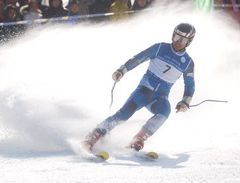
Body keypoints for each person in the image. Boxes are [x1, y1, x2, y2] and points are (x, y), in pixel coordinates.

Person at [83, 23, 196, 152]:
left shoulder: (188, 62)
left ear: (189, 41)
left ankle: (139, 139)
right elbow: (139, 58)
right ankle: (94, 135)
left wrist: (185, 101)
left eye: (183, 40)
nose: (178, 42)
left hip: (159, 98)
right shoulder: (160, 47)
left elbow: (190, 83)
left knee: (165, 112)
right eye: (176, 37)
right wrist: (122, 70)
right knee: (124, 114)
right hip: (143, 92)